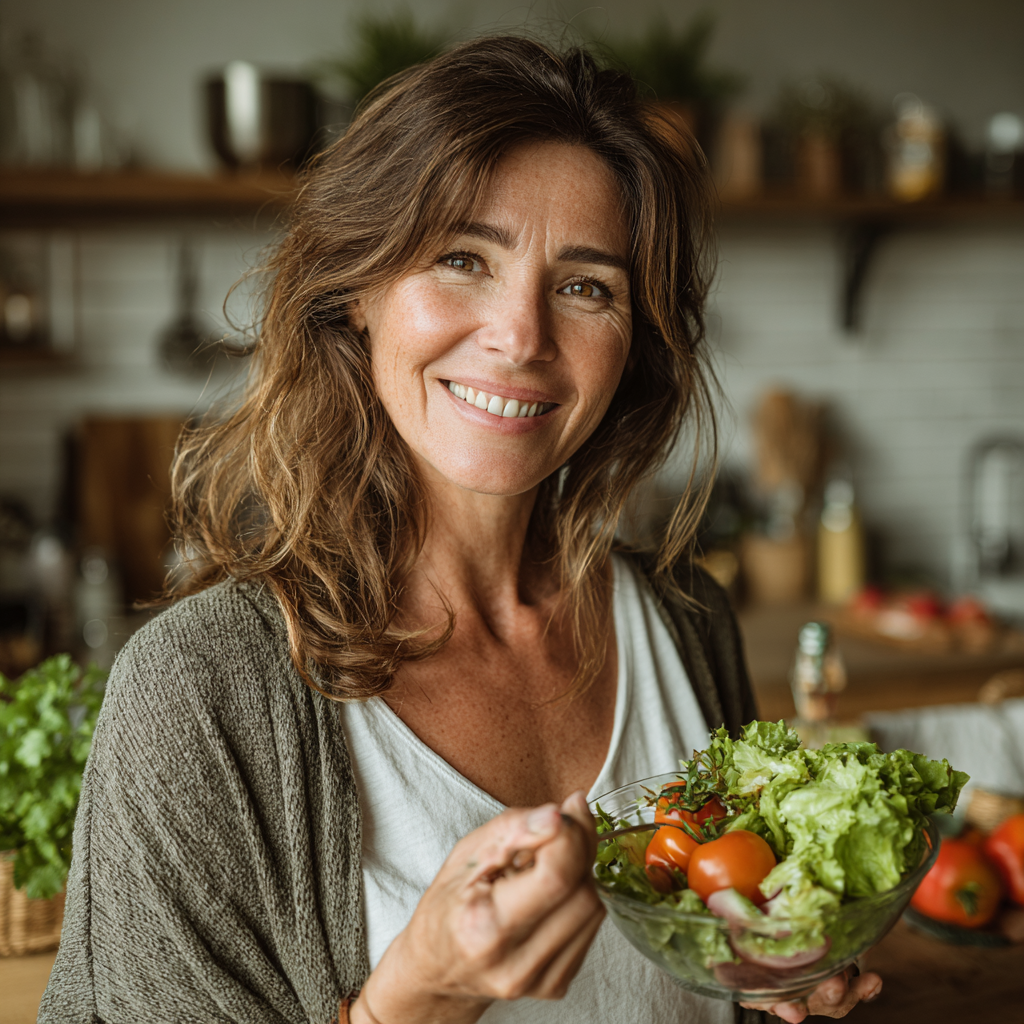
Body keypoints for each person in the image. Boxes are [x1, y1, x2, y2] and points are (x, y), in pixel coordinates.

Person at [41, 36, 882, 1024]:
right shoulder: (197, 694)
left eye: (585, 286)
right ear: (357, 291)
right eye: (460, 259)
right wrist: (418, 996)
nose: (520, 335)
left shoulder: (687, 623)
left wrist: (781, 974)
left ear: (632, 345)